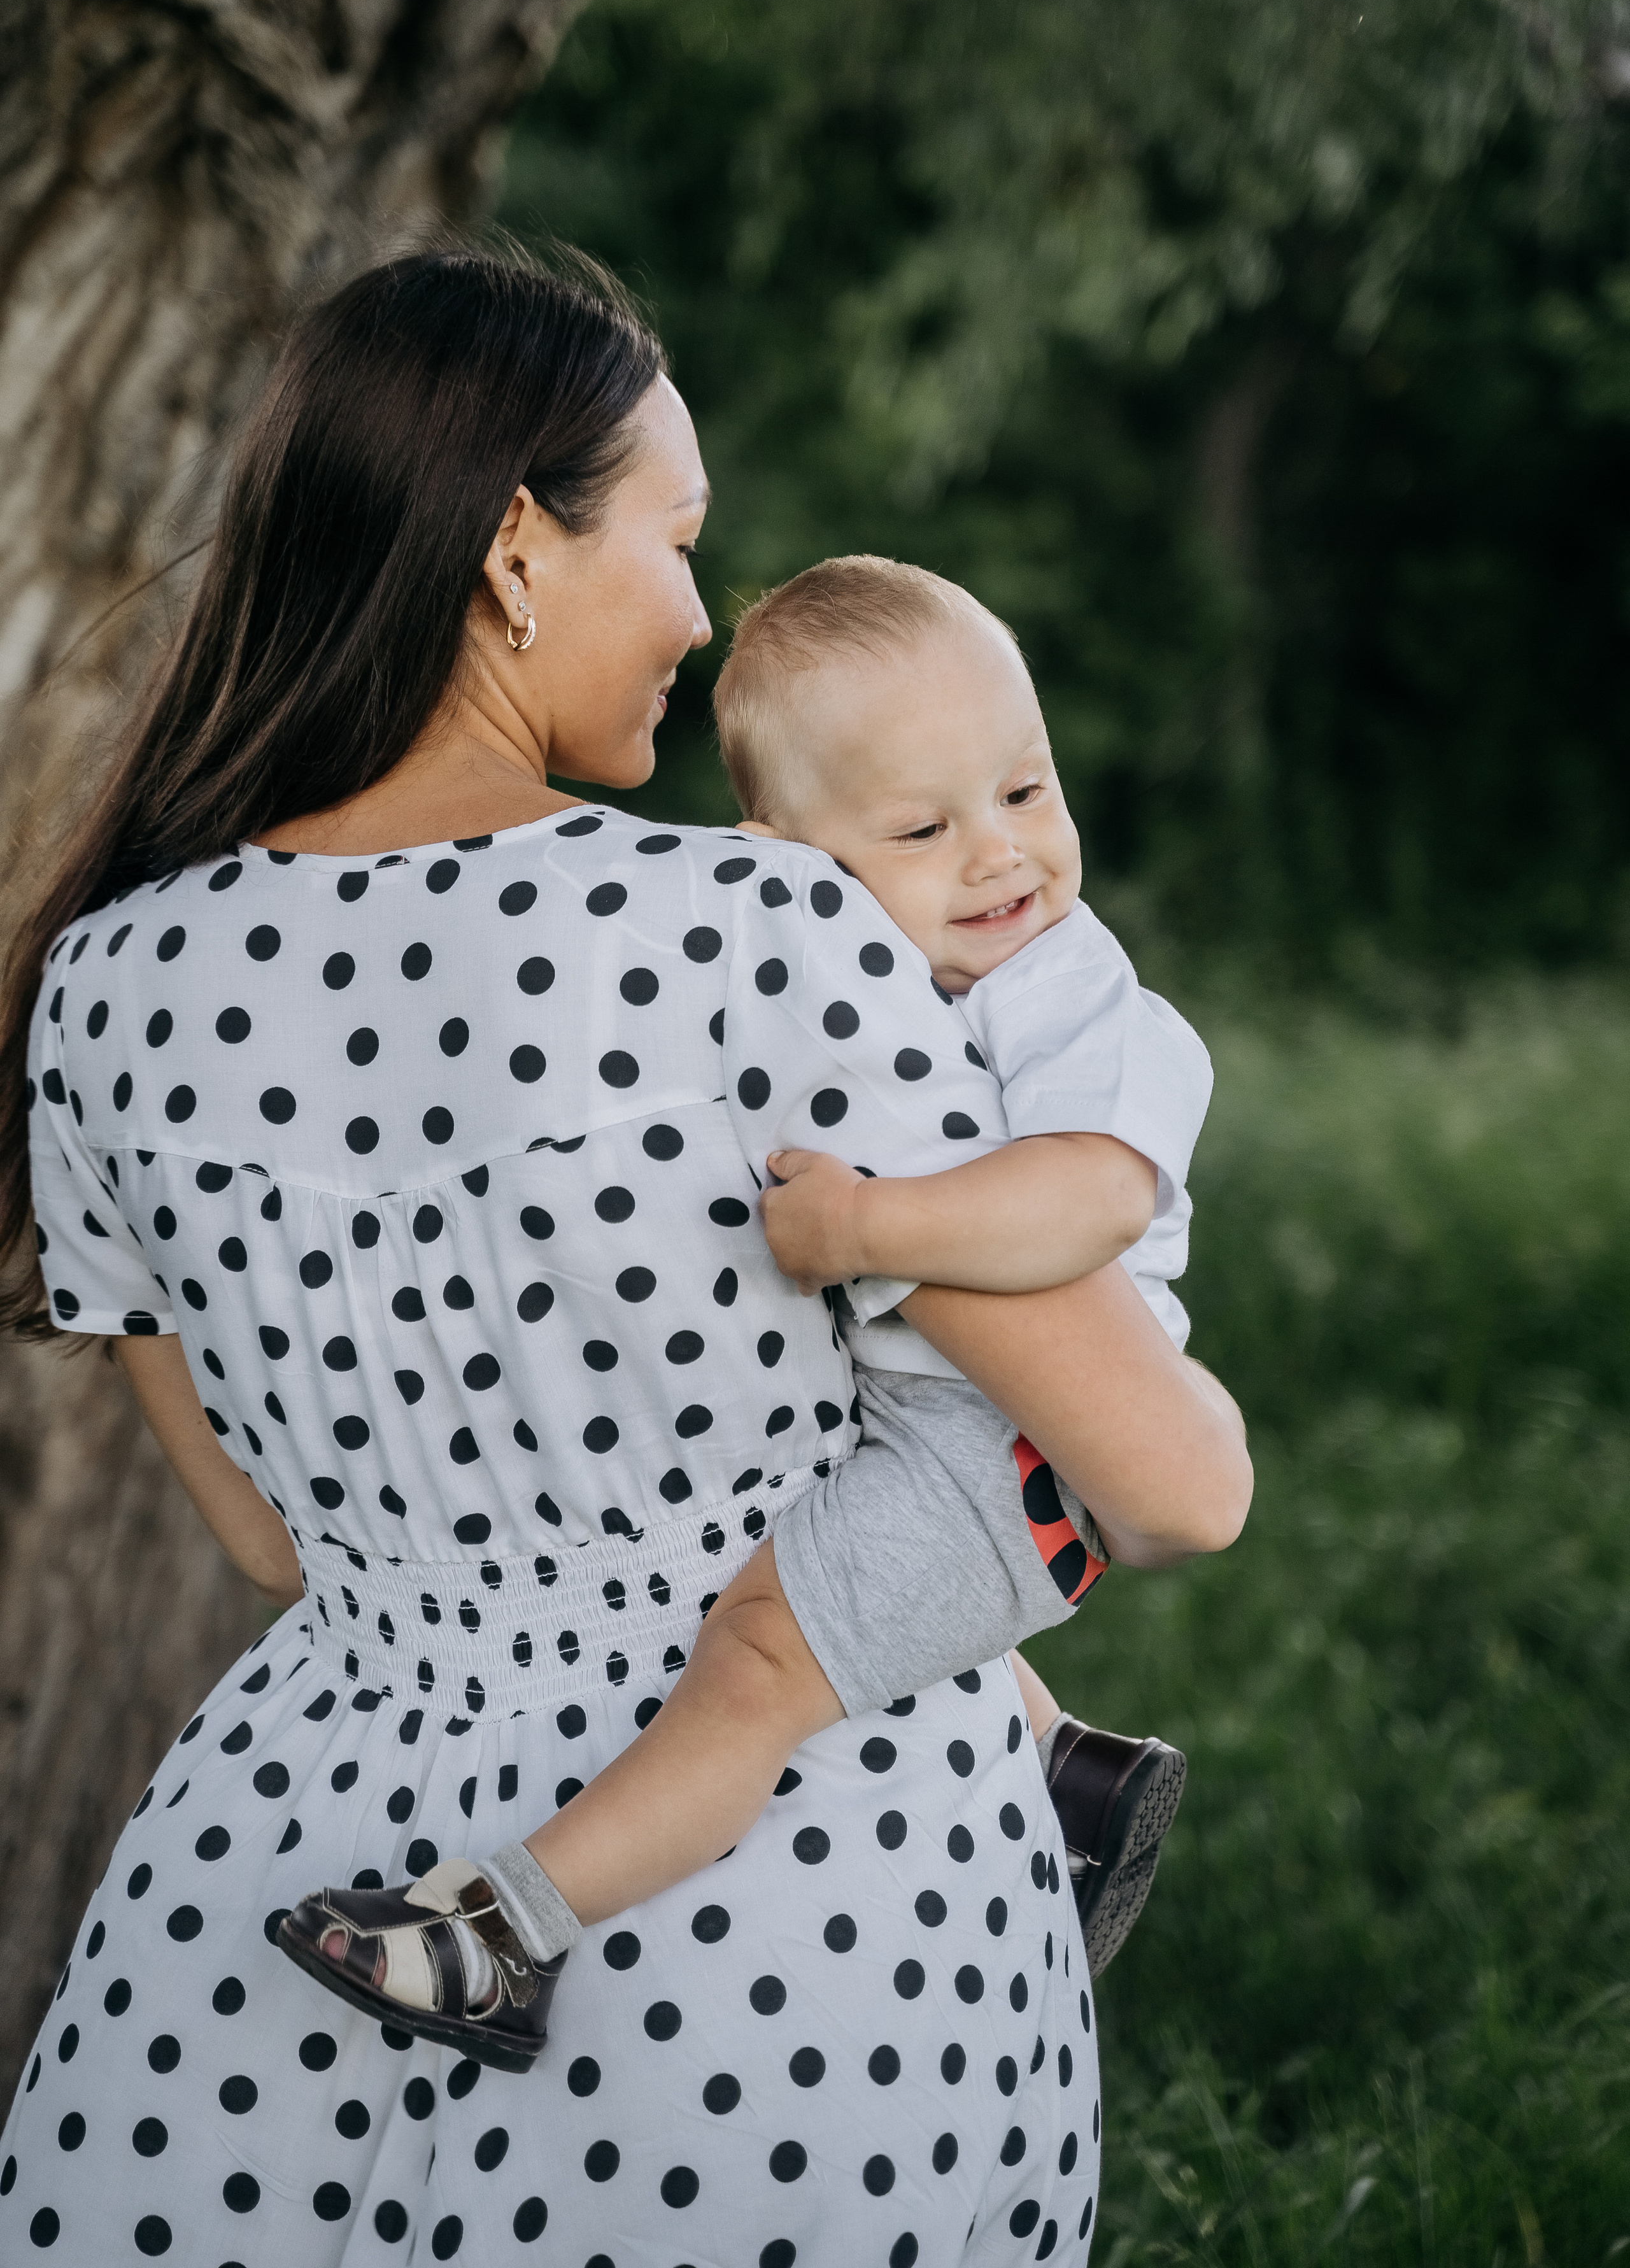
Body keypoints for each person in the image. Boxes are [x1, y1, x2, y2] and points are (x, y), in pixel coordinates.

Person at [0, 246, 1250, 2264]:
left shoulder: (109, 985)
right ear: (517, 549)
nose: (694, 610)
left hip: (289, 1887)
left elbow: (263, 1537)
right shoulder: (755, 925)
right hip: (792, 1929)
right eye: (675, 539)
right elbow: (1172, 1484)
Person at [280, 553, 1218, 2069]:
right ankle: (1065, 1774)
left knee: (759, 1667)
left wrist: (868, 1226)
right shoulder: (837, 966)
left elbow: (1091, 1199)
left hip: (1007, 1446)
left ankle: (503, 1936)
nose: (1000, 855)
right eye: (921, 828)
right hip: (923, 1417)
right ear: (788, 864)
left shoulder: (1069, 991)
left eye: (1024, 791)